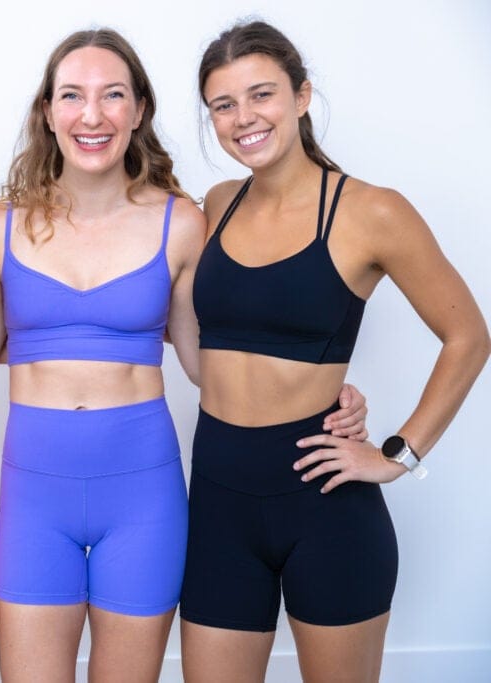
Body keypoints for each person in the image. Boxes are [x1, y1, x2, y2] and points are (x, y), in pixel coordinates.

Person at [0, 28, 368, 682]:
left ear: (139, 109)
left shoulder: (182, 223)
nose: (92, 114)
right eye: (72, 95)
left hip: (142, 498)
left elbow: (210, 361)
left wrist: (322, 391)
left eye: (112, 94)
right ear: (47, 111)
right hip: (34, 500)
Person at [179, 21, 490, 683]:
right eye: (223, 105)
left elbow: (468, 336)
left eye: (260, 94)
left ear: (301, 95)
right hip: (217, 499)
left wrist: (398, 452)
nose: (243, 118)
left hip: (323, 501)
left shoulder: (371, 211)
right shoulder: (217, 203)